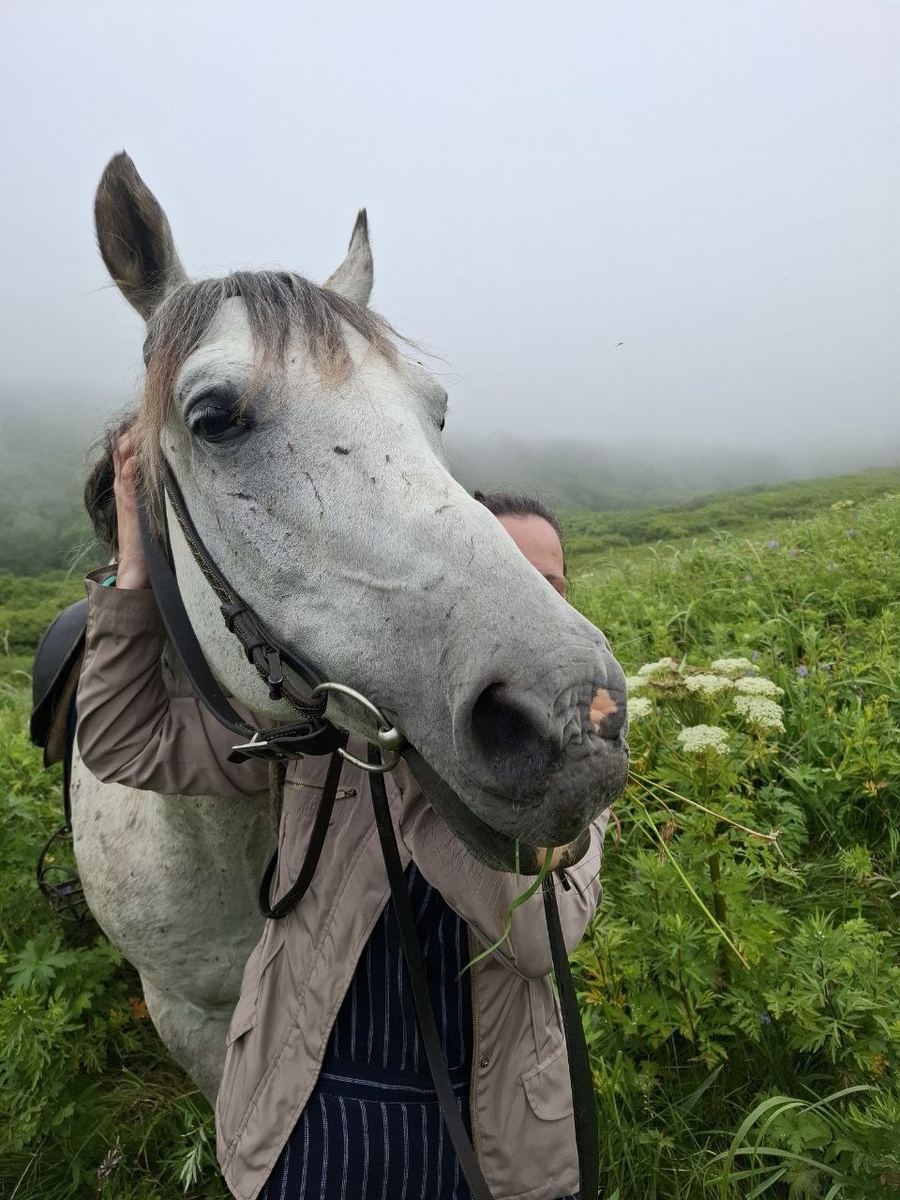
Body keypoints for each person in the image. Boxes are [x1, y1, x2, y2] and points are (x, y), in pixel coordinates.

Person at [76, 436, 608, 1200]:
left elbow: (534, 941)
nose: (529, 604)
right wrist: (133, 571)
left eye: (550, 587)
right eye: (509, 575)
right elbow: (129, 741)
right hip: (311, 1123)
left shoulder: (573, 758)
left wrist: (435, 757)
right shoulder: (326, 736)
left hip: (490, 1140)